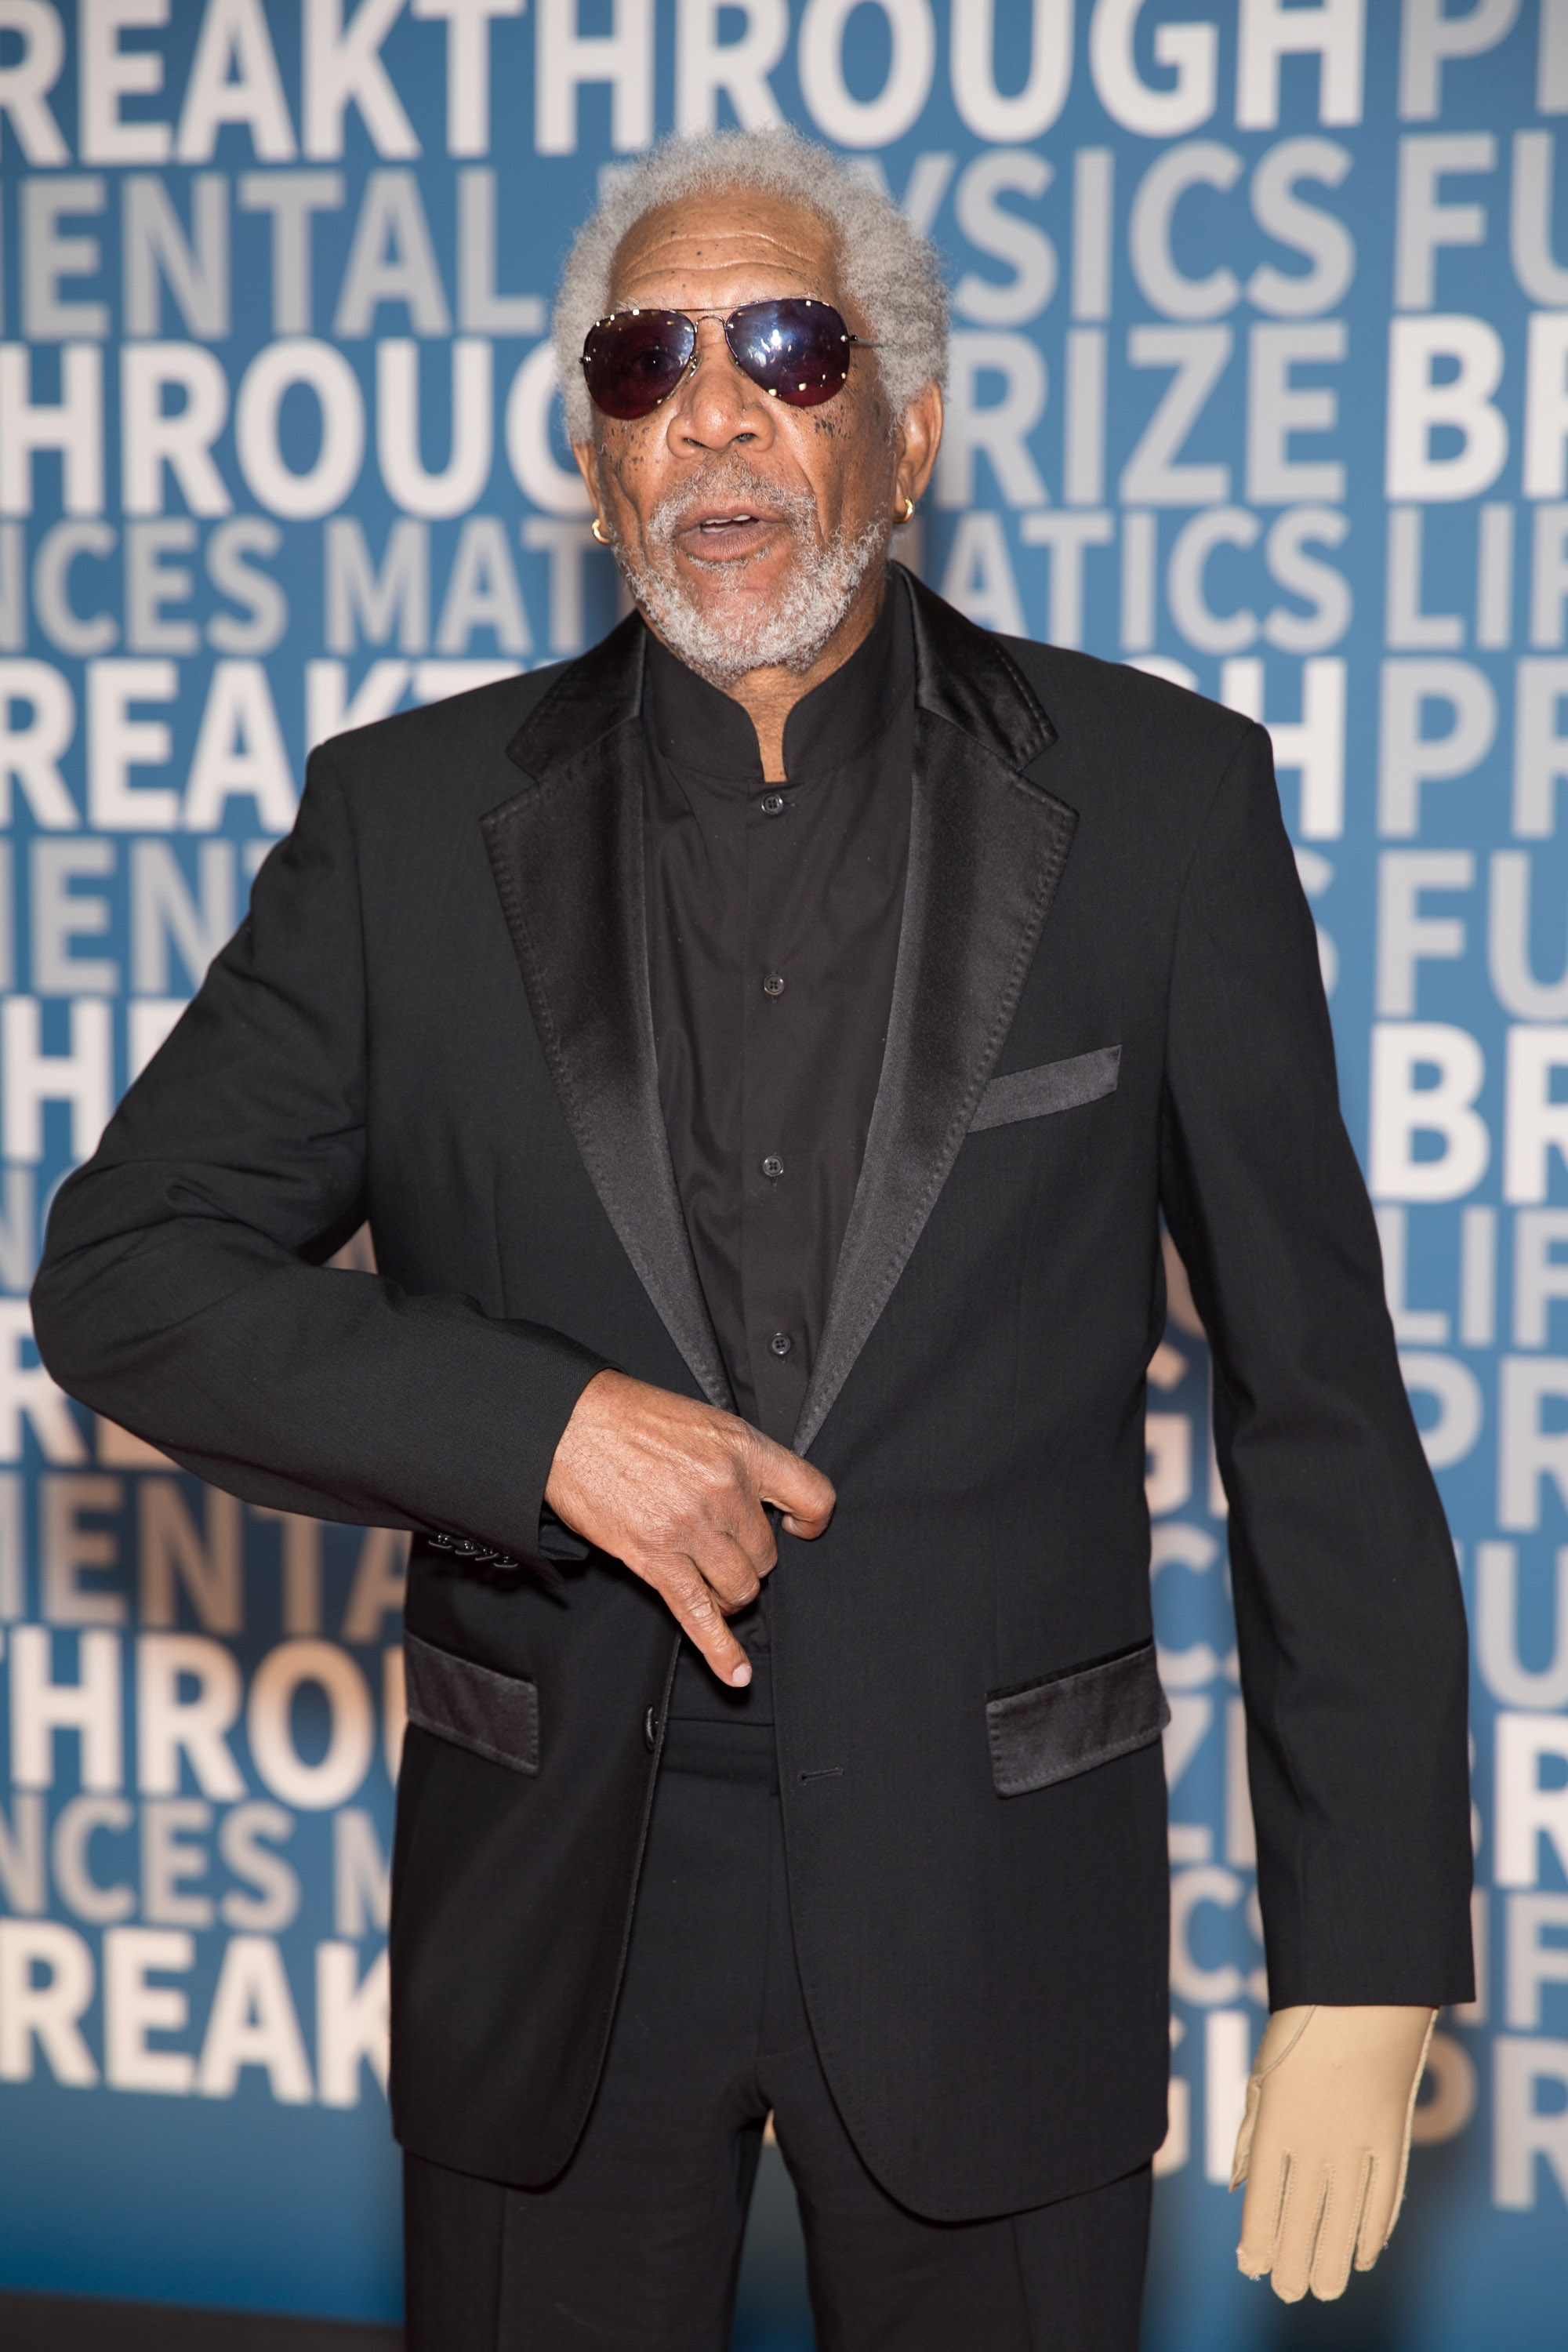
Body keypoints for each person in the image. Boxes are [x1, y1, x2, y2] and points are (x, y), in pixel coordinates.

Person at [33, 127, 1473, 2351]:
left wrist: (1367, 1957)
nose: (711, 406)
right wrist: (547, 1434)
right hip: (556, 1931)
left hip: (999, 1914)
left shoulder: (1165, 808)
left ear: (908, 428)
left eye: (783, 347)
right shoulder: (404, 830)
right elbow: (124, 1272)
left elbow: (1319, 1412)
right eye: (644, 361)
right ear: (600, 460)